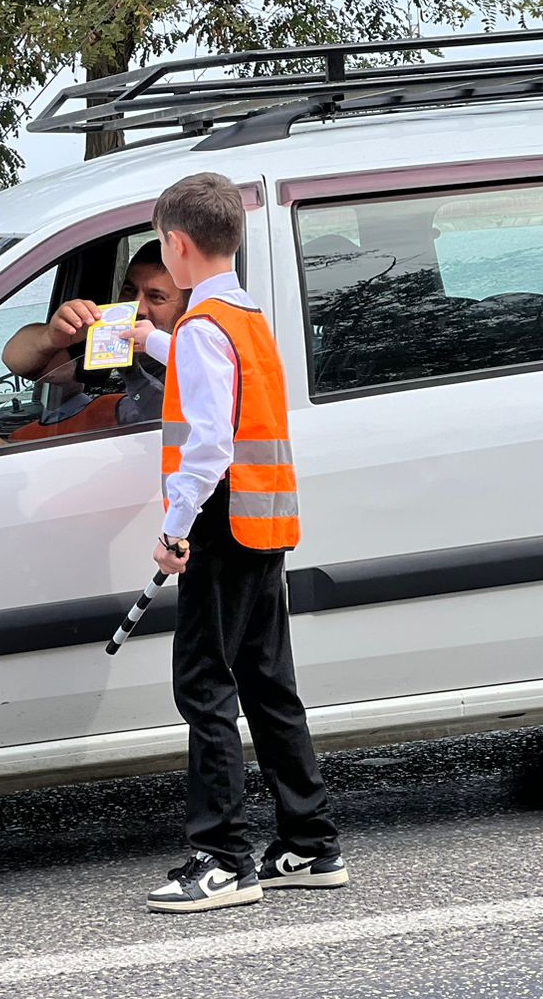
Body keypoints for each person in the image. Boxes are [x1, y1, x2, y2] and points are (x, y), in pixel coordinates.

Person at [132, 172, 346, 914]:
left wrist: (174, 529)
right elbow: (221, 388)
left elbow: (207, 444)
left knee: (204, 686)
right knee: (265, 682)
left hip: (219, 523)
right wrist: (151, 341)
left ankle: (222, 859)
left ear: (176, 245)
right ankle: (309, 842)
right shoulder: (243, 317)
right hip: (262, 523)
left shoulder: (202, 328)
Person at [0, 240, 189, 451]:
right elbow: (16, 360)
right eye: (129, 290)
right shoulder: (110, 344)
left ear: (187, 307)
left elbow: (163, 431)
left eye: (156, 297)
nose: (138, 307)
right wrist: (51, 337)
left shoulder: (194, 361)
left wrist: (1, 450)